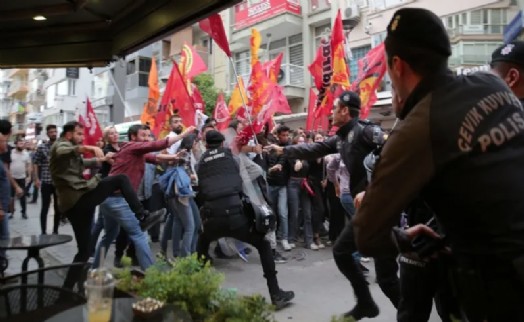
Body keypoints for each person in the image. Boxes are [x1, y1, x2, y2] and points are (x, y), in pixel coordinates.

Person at [352, 8, 524, 321]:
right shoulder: (493, 84)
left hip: (504, 292)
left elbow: (368, 235)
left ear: (397, 66)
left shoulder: (417, 128)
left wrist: (404, 239)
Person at [267, 91, 400, 319]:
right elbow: (314, 149)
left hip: (380, 209)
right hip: (367, 211)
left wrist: (370, 190)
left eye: (335, 108)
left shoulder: (368, 131)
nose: (331, 112)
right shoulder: (340, 137)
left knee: (386, 277)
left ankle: (410, 314)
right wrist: (284, 150)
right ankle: (366, 302)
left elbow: (393, 156)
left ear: (345, 111)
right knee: (341, 252)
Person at [50, 121, 163, 289]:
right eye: (79, 134)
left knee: (84, 251)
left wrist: (101, 158)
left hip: (79, 201)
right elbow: (63, 152)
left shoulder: (71, 150)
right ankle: (142, 216)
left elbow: (81, 163)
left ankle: (67, 292)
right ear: (68, 134)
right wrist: (90, 148)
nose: (82, 138)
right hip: (77, 199)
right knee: (121, 179)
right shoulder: (60, 146)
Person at [196, 130, 294, 309]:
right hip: (235, 215)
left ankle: (197, 298)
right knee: (263, 245)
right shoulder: (231, 157)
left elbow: (202, 189)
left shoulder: (201, 163)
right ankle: (276, 293)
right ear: (222, 143)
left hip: (212, 219)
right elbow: (242, 181)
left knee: (201, 245)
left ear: (206, 143)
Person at [93, 124, 194, 269]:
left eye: (148, 135)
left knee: (109, 235)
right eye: (143, 136)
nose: (146, 139)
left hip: (108, 199)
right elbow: (157, 145)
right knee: (139, 234)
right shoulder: (132, 147)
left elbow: (156, 157)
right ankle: (152, 275)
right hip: (117, 199)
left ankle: (94, 270)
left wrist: (174, 156)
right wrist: (183, 134)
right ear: (133, 137)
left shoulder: (134, 151)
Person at [34, 125, 61, 234]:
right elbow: (35, 162)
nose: (53, 133)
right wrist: (36, 178)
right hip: (46, 181)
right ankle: (43, 232)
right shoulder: (42, 147)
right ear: (47, 134)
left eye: (55, 131)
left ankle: (55, 231)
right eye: (51, 132)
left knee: (58, 208)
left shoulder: (61, 147)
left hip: (58, 182)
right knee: (45, 207)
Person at [9, 137, 31, 219]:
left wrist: (29, 176)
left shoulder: (26, 154)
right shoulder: (11, 153)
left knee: (22, 196)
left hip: (22, 177)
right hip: (12, 178)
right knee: (11, 197)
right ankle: (11, 212)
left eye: (23, 143)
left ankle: (24, 212)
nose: (22, 145)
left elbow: (28, 165)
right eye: (20, 143)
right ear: (16, 144)